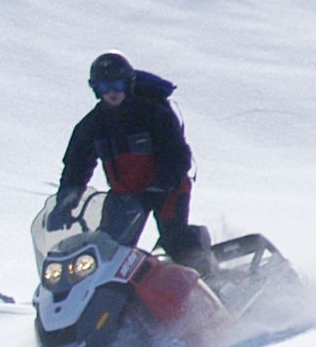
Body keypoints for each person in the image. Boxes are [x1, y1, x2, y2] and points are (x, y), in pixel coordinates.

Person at [51, 50, 204, 264]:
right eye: (105, 87)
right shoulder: (92, 125)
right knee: (107, 250)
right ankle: (114, 295)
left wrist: (164, 181)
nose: (112, 92)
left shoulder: (153, 113)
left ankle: (208, 278)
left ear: (128, 84)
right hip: (126, 196)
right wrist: (65, 202)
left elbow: (177, 153)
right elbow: (76, 166)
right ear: (96, 89)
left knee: (175, 240)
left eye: (118, 85)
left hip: (166, 189)